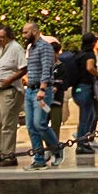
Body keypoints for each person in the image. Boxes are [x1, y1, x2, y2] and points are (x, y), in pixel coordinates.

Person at [21, 20, 63, 170]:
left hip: (41, 91)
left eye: (26, 32)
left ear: (34, 31)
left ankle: (57, 148)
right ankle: (39, 158)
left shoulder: (45, 47)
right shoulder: (31, 48)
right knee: (31, 126)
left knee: (40, 123)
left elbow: (47, 68)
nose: (24, 35)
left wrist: (43, 89)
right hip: (30, 90)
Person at [0, 24, 23, 167]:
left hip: (9, 90)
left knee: (7, 123)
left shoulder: (16, 48)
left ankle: (9, 154)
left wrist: (9, 80)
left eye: (2, 37)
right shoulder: (1, 49)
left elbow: (23, 68)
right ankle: (2, 152)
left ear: (9, 37)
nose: (0, 39)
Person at [63, 33, 98, 156]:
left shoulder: (80, 54)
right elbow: (90, 68)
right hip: (84, 88)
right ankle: (82, 143)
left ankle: (83, 141)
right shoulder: (89, 55)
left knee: (90, 115)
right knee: (86, 117)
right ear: (93, 43)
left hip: (77, 88)